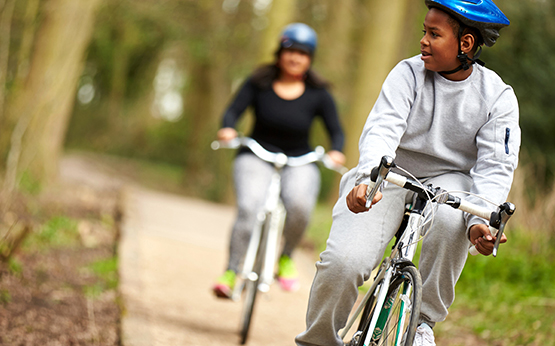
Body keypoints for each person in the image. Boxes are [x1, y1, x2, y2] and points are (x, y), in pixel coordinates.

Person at [295, 1, 520, 345]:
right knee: (343, 262)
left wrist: (481, 221)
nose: (423, 41)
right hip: (389, 174)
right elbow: (382, 129)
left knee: (451, 217)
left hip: (449, 182)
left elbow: (495, 165)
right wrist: (369, 181)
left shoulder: (497, 97)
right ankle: (318, 341)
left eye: (434, 34)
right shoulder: (408, 73)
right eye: (423, 32)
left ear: (466, 44)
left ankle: (421, 322)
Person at [212, 23, 346, 298]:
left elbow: (336, 130)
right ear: (280, 53)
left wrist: (336, 149)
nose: (296, 58)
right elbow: (232, 113)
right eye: (290, 51)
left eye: (303, 53)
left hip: (300, 159)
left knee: (299, 205)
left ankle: (285, 257)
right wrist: (227, 129)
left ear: (310, 59)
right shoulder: (258, 82)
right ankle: (231, 270)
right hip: (256, 154)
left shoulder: (319, 93)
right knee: (249, 208)